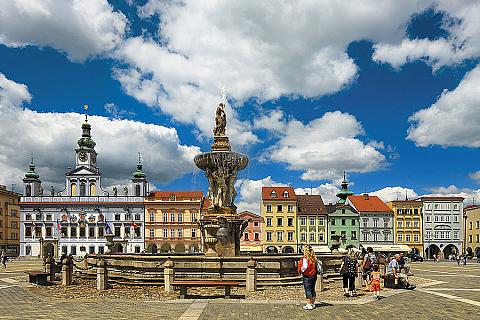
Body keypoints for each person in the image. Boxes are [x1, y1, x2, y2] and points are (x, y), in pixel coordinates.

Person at [298, 245, 318, 310]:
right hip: (314, 275)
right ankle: (312, 303)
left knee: (308, 290)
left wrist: (300, 270)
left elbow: (304, 267)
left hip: (307, 276)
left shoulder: (305, 258)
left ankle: (309, 304)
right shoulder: (314, 258)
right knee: (312, 289)